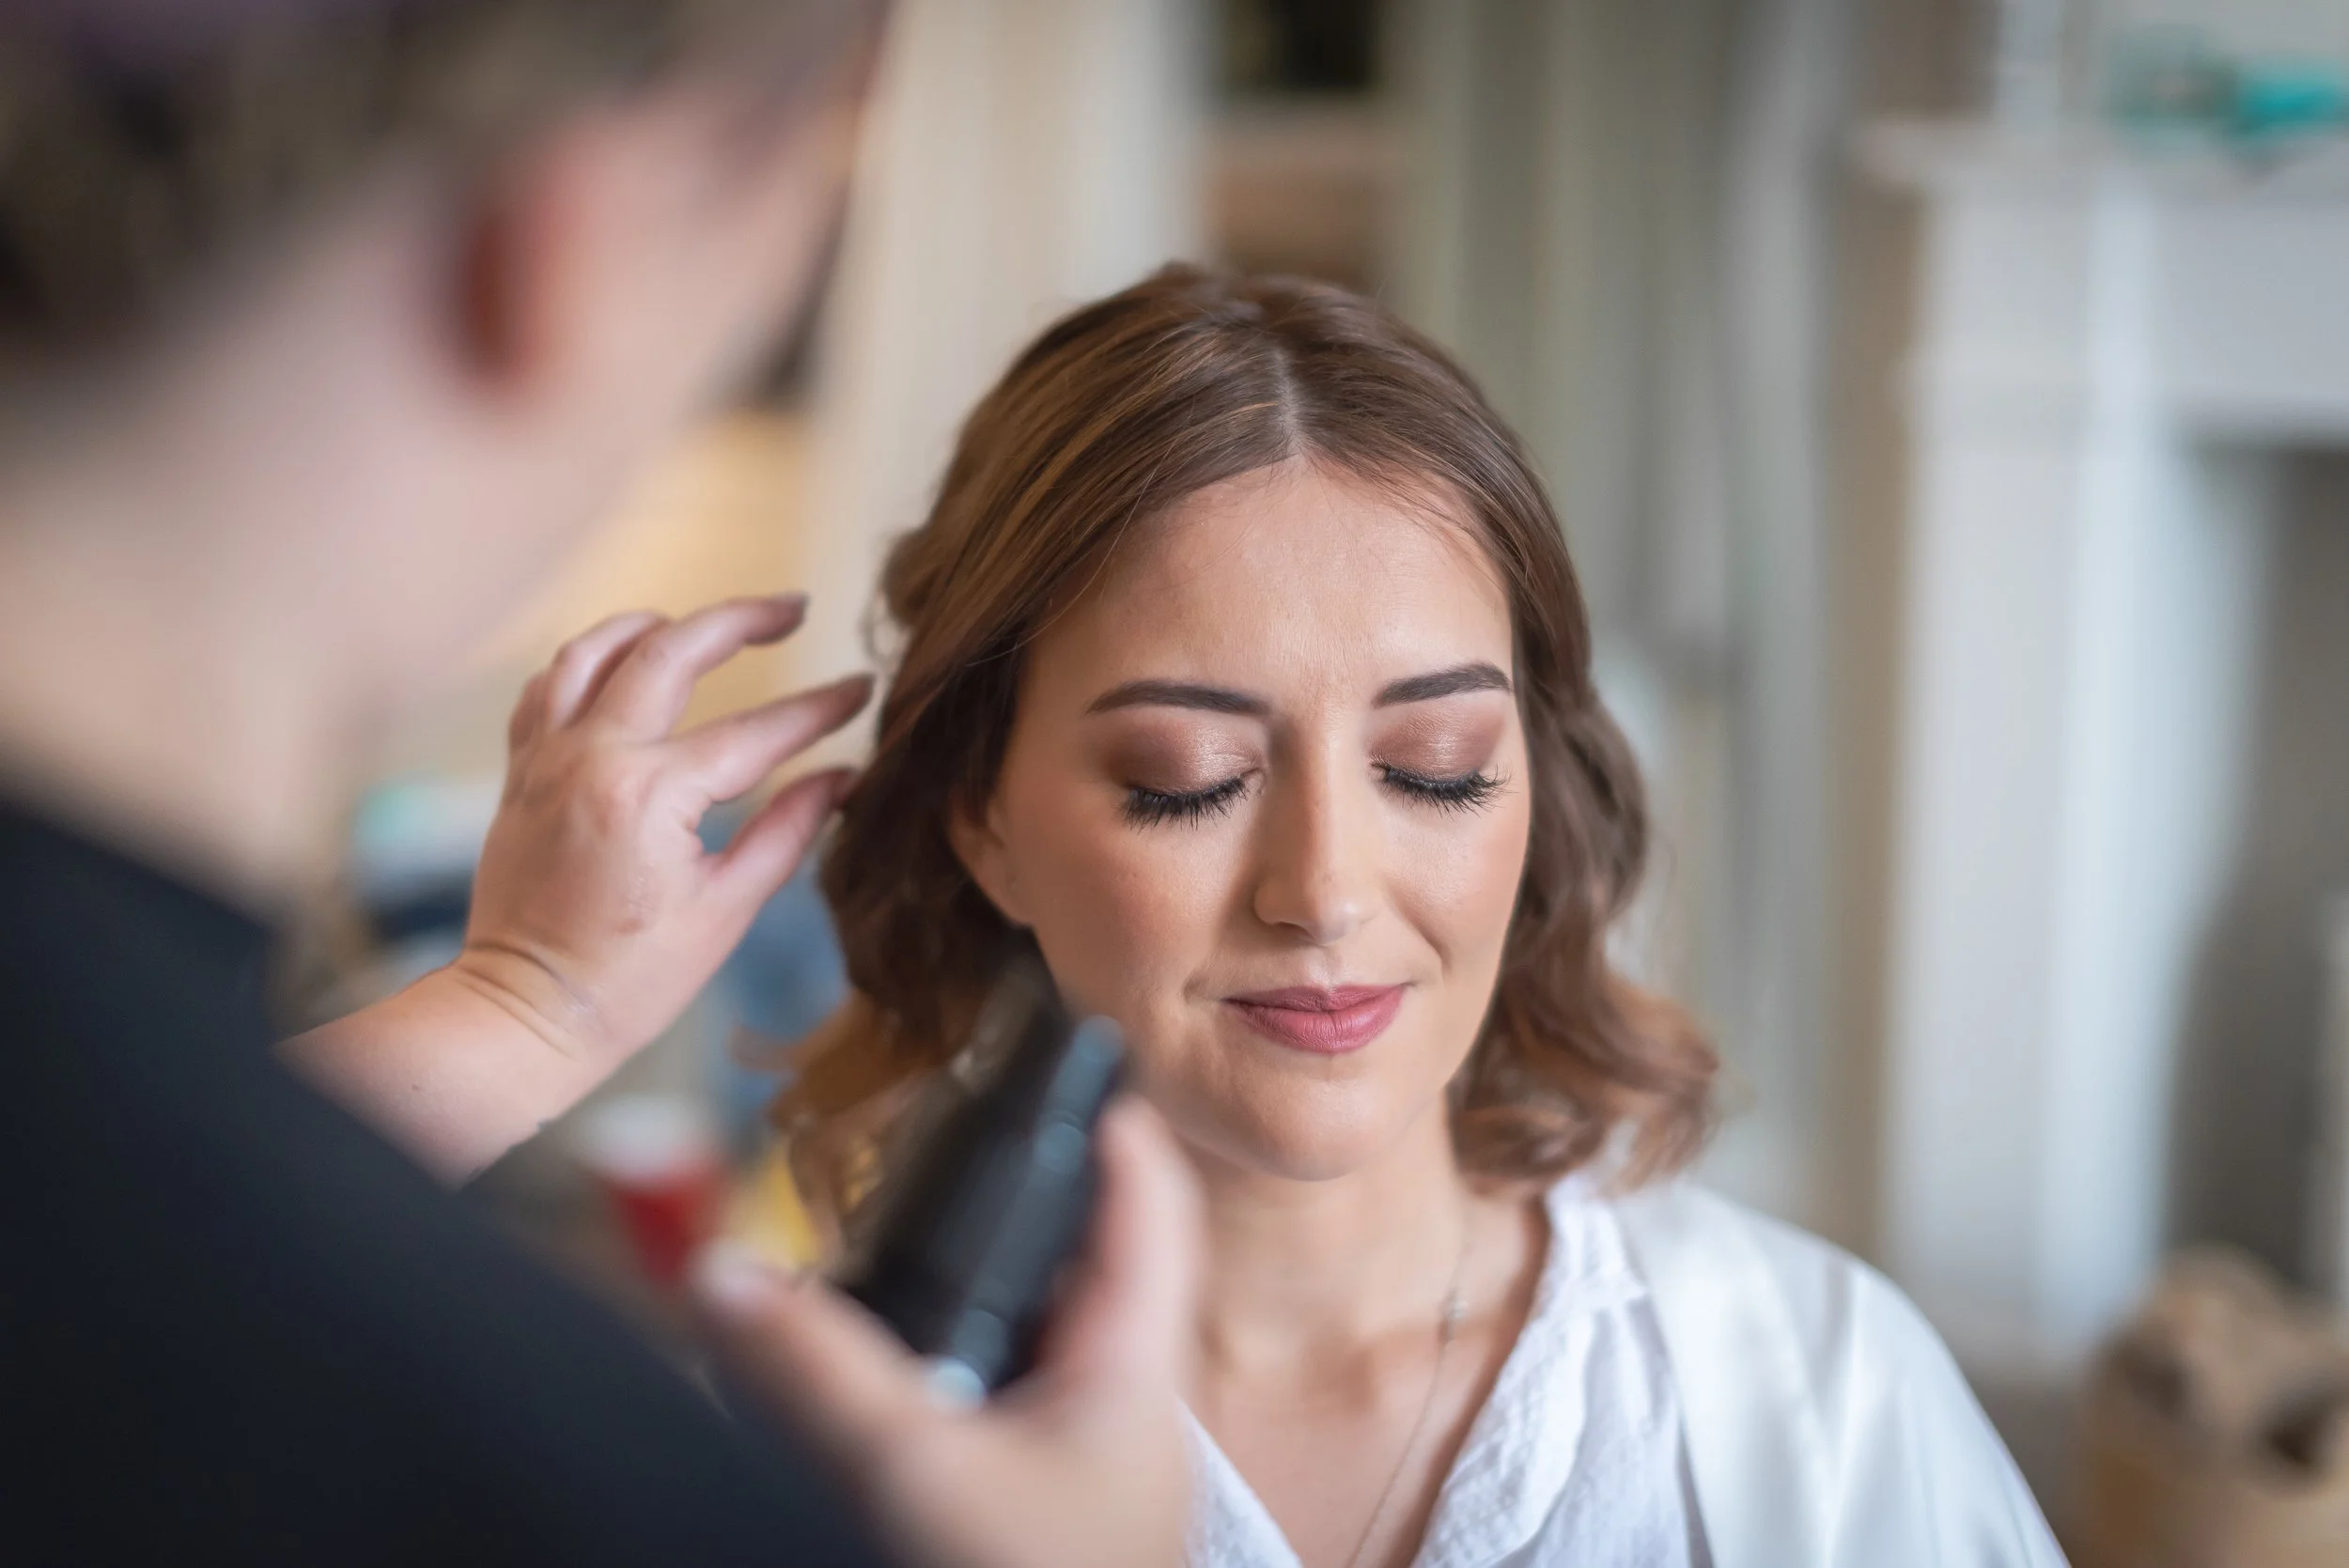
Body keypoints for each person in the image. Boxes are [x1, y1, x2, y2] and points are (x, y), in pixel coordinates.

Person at [0, 2, 1198, 1564]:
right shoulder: (585, 1498)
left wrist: (528, 1000)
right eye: (1186, 779)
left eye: (1430, 770)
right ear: (580, 214)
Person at [765, 266, 2073, 1568]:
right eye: (1189, 783)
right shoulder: (840, 1448)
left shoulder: (1820, 1397)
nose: (1325, 892)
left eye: (1433, 764)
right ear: (985, 825)